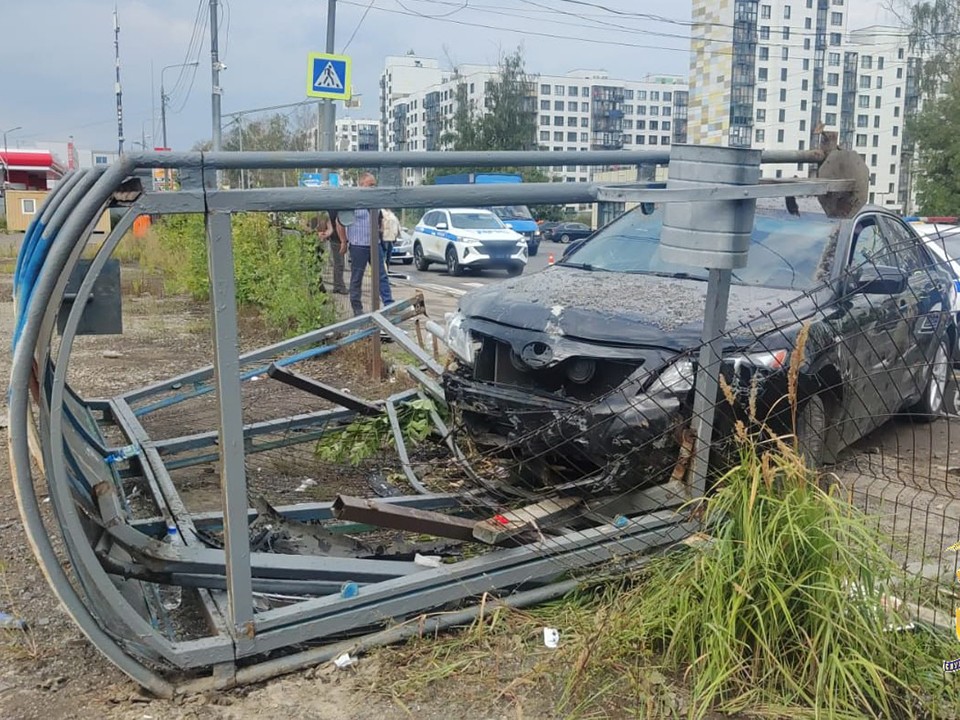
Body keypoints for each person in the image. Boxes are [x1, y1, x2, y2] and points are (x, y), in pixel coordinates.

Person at [336, 172, 394, 316]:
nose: (373, 188)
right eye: (370, 185)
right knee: (357, 277)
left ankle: (388, 304)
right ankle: (357, 309)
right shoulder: (353, 201)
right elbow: (340, 221)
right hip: (358, 245)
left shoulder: (376, 201)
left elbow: (380, 218)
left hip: (375, 244)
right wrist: (343, 241)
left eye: (375, 185)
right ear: (361, 185)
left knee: (381, 275)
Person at [317, 211, 347, 294]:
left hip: (332, 237)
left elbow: (330, 226)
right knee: (339, 263)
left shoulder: (327, 212)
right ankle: (338, 286)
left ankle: (338, 285)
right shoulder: (334, 210)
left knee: (339, 263)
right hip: (336, 238)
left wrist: (325, 234)